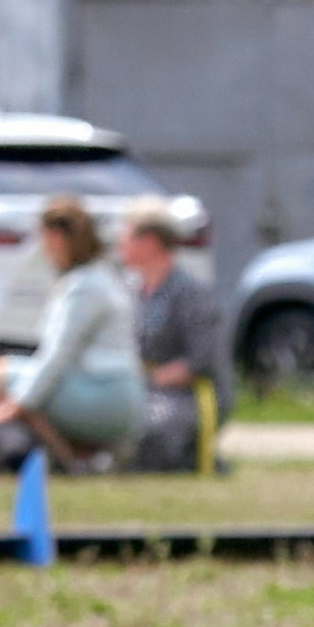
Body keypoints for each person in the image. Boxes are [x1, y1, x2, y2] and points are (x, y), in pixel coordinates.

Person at [0, 196, 145, 461]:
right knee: (23, 376)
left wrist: (10, 409)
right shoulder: (103, 276)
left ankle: (65, 461)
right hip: (125, 396)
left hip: (105, 398)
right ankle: (83, 459)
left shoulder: (82, 287)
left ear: (57, 238)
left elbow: (55, 357)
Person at [120, 197, 228, 470]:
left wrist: (153, 380)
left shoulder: (190, 293)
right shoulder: (132, 290)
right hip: (142, 388)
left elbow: (201, 359)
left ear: (151, 242)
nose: (121, 244)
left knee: (151, 430)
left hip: (186, 393)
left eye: (128, 237)